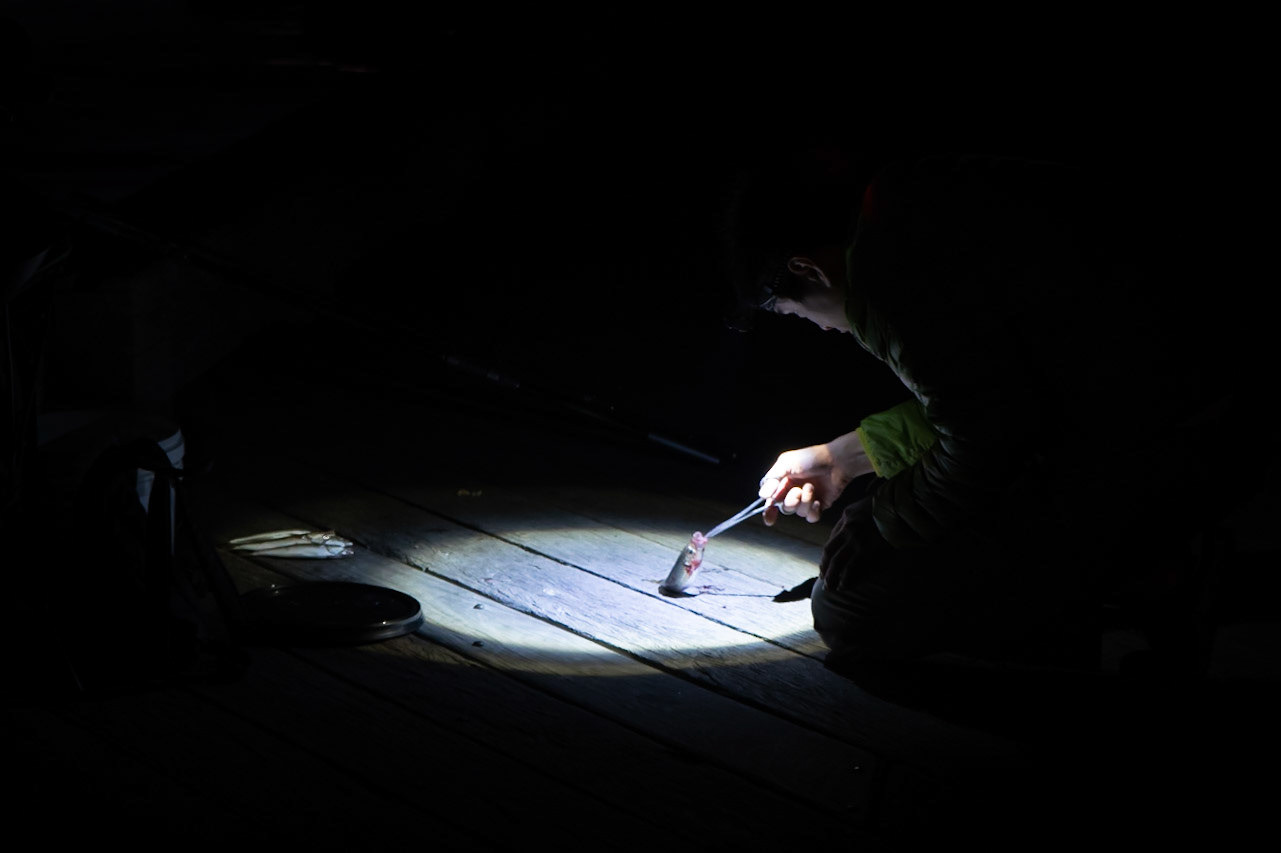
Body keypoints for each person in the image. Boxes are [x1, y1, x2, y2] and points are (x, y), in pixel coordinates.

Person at [723, 140, 1261, 672]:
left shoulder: (886, 276)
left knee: (848, 608)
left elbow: (991, 439)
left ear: (809, 269)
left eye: (794, 312)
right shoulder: (917, 199)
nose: (818, 328)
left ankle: (1135, 578)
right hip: (1192, 409)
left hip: (1177, 441)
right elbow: (997, 396)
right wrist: (841, 458)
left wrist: (882, 520)